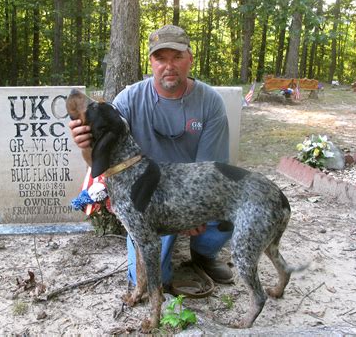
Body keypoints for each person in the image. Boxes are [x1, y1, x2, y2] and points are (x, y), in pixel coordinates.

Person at [69, 25, 234, 288]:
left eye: (177, 57)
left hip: (193, 191)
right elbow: (101, 164)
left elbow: (211, 169)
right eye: (161, 58)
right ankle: (165, 253)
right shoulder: (128, 100)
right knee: (147, 281)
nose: (169, 66)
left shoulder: (209, 102)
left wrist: (194, 212)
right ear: (151, 62)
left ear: (190, 58)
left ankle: (203, 254)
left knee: (228, 214)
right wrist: (84, 145)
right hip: (149, 201)